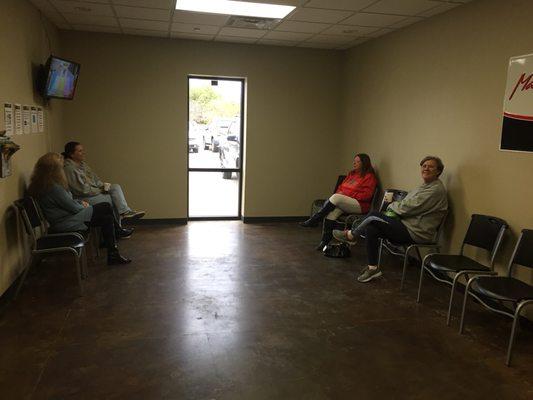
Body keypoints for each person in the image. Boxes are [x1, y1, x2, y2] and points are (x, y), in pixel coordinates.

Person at [333, 156, 448, 283]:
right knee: (372, 228)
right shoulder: (425, 186)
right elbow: (406, 203)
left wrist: (392, 206)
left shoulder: (435, 190)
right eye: (424, 166)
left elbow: (408, 207)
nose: (426, 168)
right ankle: (373, 269)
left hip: (416, 232)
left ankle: (351, 235)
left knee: (374, 215)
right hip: (406, 225)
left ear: (438, 171)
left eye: (431, 166)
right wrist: (396, 208)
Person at [28, 153, 132, 265]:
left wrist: (80, 202)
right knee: (105, 206)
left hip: (65, 218)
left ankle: (113, 253)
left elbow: (67, 202)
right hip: (65, 222)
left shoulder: (42, 184)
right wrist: (84, 205)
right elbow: (73, 208)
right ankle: (116, 235)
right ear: (54, 170)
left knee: (106, 218)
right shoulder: (54, 188)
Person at [300, 153, 378, 250]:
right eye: (354, 161)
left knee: (336, 197)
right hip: (345, 201)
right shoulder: (352, 174)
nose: (354, 163)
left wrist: (347, 194)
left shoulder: (369, 177)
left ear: (364, 163)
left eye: (358, 161)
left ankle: (315, 219)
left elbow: (367, 196)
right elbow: (341, 187)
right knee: (331, 214)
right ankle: (324, 242)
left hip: (360, 205)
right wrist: (343, 194)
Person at [62, 142, 145, 226]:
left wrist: (103, 185)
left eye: (83, 150)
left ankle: (125, 212)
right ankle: (118, 227)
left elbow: (95, 179)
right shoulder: (69, 169)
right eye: (80, 151)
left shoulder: (83, 165)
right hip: (84, 198)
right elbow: (82, 190)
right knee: (112, 199)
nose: (83, 153)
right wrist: (100, 190)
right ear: (71, 154)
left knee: (115, 187)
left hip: (94, 192)